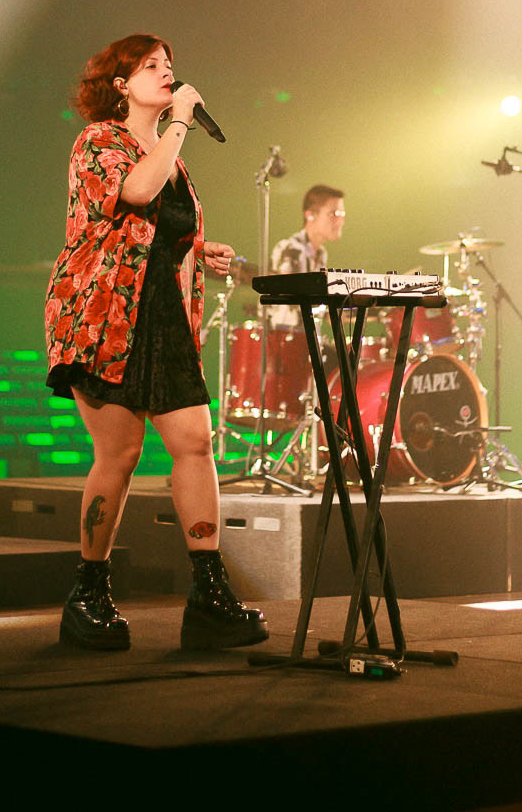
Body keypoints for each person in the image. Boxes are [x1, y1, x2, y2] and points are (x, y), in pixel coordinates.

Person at [43, 33, 267, 651]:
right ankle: (88, 594)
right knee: (120, 453)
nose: (168, 73)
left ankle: (209, 596)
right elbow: (135, 193)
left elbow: (154, 228)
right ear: (121, 85)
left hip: (163, 316)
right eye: (152, 66)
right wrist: (180, 124)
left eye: (169, 64)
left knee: (195, 442)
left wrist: (199, 248)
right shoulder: (99, 142)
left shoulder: (169, 152)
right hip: (105, 317)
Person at [265, 184, 346, 329]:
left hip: (304, 334)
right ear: (310, 215)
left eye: (342, 214)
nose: (340, 221)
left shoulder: (321, 253)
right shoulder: (291, 249)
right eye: (334, 214)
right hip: (282, 334)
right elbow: (289, 304)